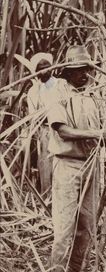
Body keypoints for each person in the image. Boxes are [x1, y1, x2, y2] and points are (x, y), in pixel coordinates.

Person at [45, 45, 106, 272]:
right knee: (65, 225)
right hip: (67, 165)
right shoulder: (57, 93)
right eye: (78, 70)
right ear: (67, 71)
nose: (84, 74)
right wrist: (98, 133)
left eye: (87, 69)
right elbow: (63, 131)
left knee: (86, 224)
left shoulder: (94, 94)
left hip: (91, 165)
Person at [27, 53, 55, 194]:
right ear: (35, 71)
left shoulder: (60, 85)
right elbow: (34, 116)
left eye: (47, 67)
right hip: (44, 133)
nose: (44, 71)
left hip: (62, 131)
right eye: (40, 68)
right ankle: (47, 199)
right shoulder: (33, 92)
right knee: (46, 166)